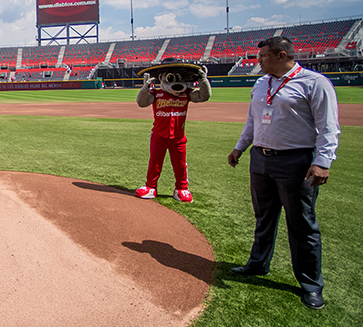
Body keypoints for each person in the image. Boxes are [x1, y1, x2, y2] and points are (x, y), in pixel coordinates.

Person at [227, 36, 340, 310]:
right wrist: (240, 148)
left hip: (296, 162)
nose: (258, 62)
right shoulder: (261, 82)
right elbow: (253, 119)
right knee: (263, 217)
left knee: (301, 224)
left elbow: (328, 127)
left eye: (263, 57)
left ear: (281, 55)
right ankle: (258, 264)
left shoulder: (314, 83)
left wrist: (323, 162)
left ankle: (311, 285)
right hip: (261, 159)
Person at [133, 59, 211, 202]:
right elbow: (141, 102)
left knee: (180, 164)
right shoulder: (156, 94)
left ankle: (181, 188)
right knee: (155, 163)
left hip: (178, 137)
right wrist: (145, 88)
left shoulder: (186, 93)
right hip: (158, 135)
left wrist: (203, 81)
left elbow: (203, 96)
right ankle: (151, 186)